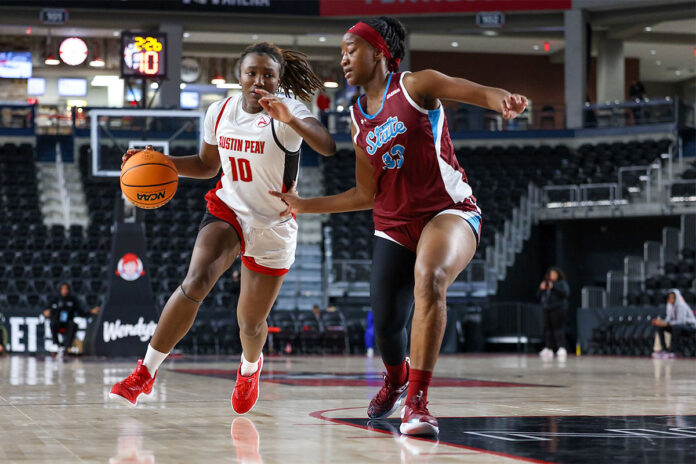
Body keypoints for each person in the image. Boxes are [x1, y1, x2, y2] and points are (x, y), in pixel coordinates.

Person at [270, 16, 527, 436]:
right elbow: (364, 194)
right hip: (392, 224)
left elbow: (471, 89)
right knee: (388, 326)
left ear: (378, 52)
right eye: (341, 53)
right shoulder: (355, 117)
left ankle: (418, 404)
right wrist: (303, 205)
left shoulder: (415, 84)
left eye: (351, 49)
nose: (344, 59)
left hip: (449, 210)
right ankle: (395, 377)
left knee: (431, 277)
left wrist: (501, 100)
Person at [110, 42, 336, 411]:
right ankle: (144, 374)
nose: (259, 80)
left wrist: (291, 118)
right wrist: (157, 161)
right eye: (252, 72)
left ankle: (250, 367)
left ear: (279, 80)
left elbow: (327, 146)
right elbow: (205, 165)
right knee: (196, 281)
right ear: (239, 75)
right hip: (228, 210)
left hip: (273, 225)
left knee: (249, 323)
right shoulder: (219, 112)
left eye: (268, 74)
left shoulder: (289, 111)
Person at [42, 282, 99, 358]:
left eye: (66, 289)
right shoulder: (55, 299)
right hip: (58, 322)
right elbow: (46, 310)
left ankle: (67, 347)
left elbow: (81, 312)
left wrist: (91, 312)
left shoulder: (73, 299)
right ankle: (57, 344)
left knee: (73, 325)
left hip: (68, 323)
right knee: (53, 323)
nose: (64, 291)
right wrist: (46, 312)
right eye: (63, 289)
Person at [652, 289, 696, 358]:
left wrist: (668, 324)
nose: (671, 299)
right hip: (677, 326)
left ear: (677, 297)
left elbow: (682, 321)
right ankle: (665, 350)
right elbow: (668, 318)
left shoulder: (682, 306)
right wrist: (661, 322)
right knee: (660, 327)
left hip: (690, 327)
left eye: (673, 297)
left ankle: (675, 351)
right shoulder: (669, 306)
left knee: (676, 327)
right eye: (670, 297)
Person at [537, 267, 570, 360]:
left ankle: (561, 347)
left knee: (558, 329)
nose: (553, 276)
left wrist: (553, 287)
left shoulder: (561, 283)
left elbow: (565, 293)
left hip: (558, 309)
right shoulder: (546, 283)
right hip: (547, 308)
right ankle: (549, 348)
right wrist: (541, 288)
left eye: (554, 274)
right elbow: (538, 295)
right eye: (551, 274)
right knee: (547, 329)